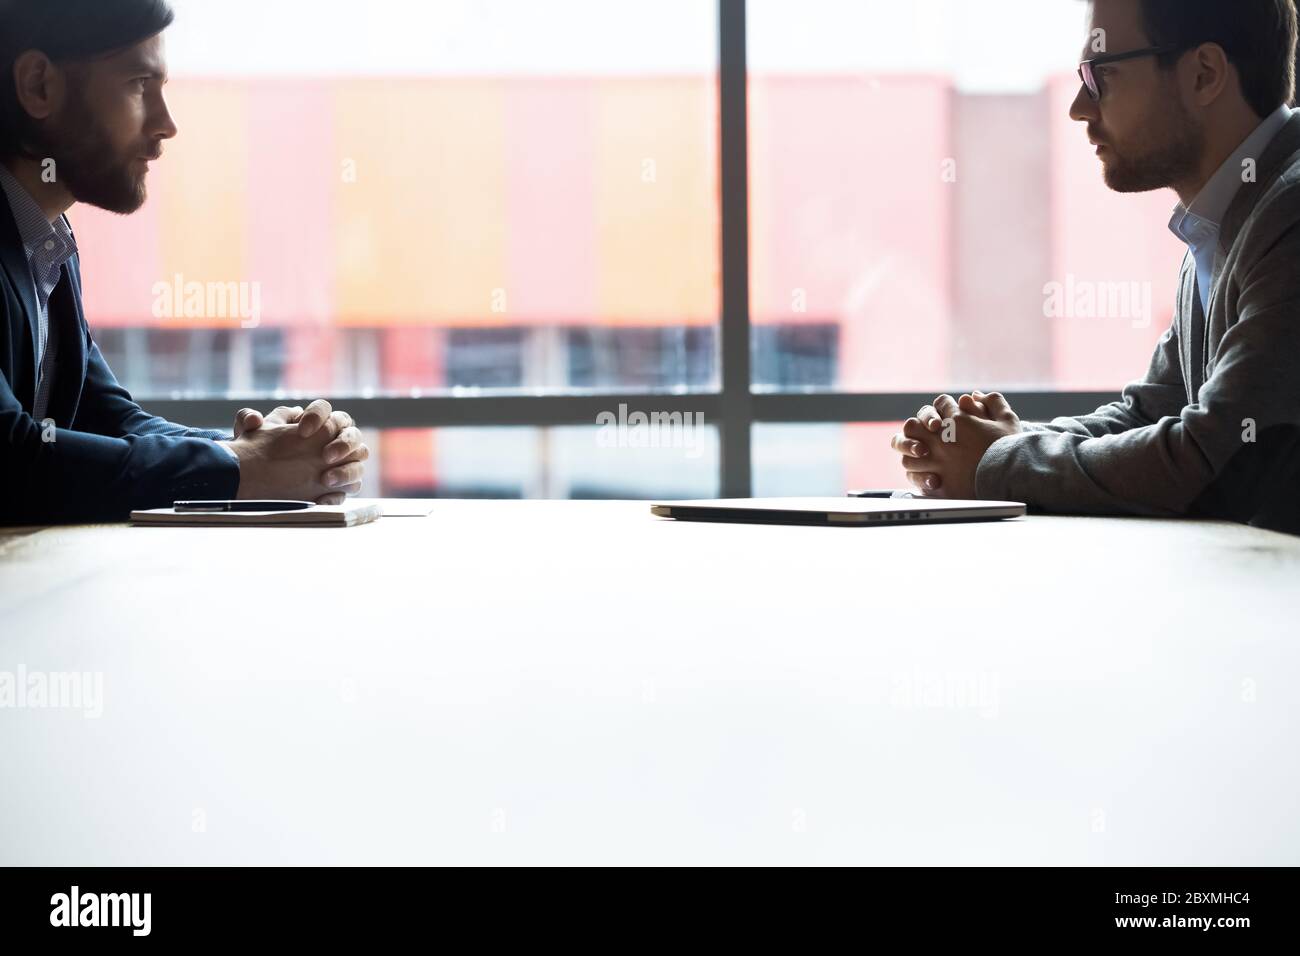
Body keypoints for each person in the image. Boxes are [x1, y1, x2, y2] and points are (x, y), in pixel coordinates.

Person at [893, 0, 1300, 534]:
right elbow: (1152, 414)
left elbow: (1219, 463)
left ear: (1204, 74)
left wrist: (999, 462)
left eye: (1100, 75)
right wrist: (1002, 445)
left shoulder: (1288, 214)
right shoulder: (1227, 219)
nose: (1079, 107)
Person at [0, 0, 368, 525]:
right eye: (137, 85)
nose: (166, 124)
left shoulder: (44, 240)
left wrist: (263, 449)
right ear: (38, 85)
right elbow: (10, 458)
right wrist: (241, 465)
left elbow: (109, 420)